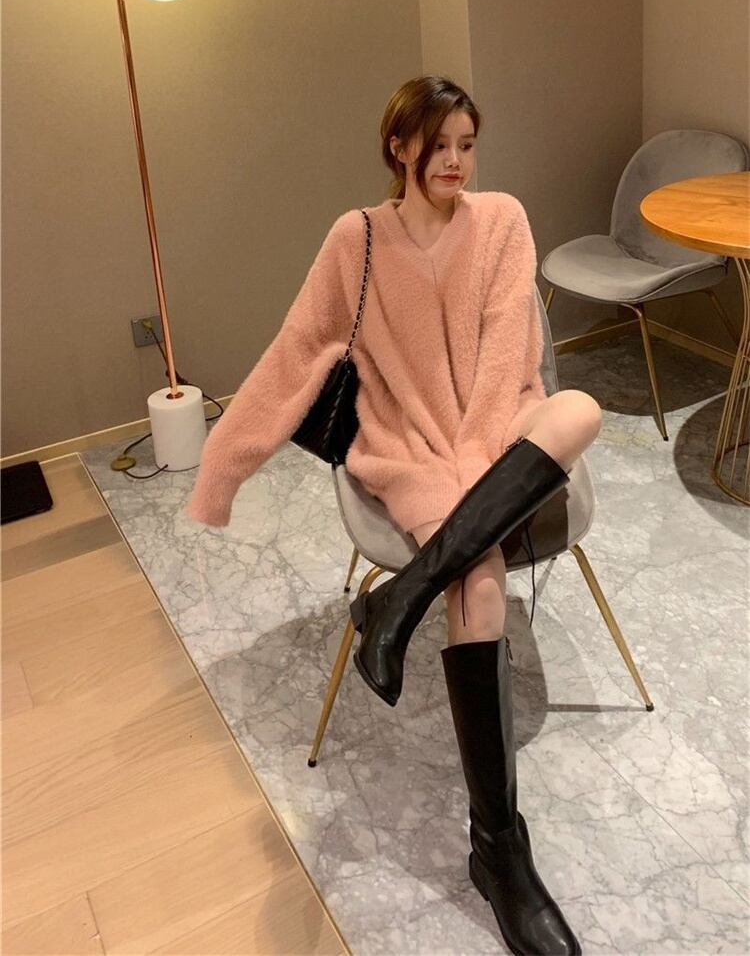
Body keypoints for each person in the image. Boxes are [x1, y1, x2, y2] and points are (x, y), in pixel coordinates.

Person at [186, 75, 601, 954]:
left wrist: (480, 456)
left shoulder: (503, 220)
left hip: (498, 437)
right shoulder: (358, 238)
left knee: (580, 410)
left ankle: (399, 598)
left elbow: (511, 355)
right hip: (410, 449)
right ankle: (499, 851)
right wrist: (221, 468)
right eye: (437, 145)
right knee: (479, 587)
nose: (455, 161)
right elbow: (296, 351)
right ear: (399, 147)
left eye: (466, 145)